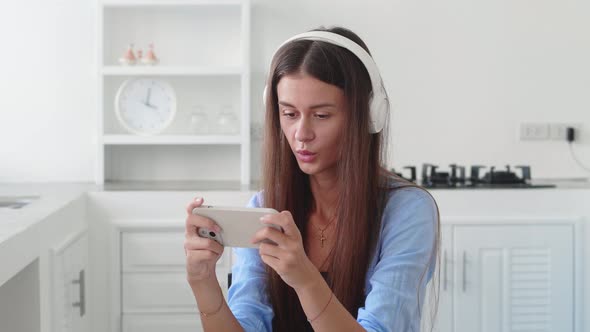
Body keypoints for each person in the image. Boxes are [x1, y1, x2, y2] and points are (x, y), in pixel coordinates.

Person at [184, 26, 440, 332]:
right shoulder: (266, 206)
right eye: (289, 114)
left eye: (321, 115)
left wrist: (305, 279)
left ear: (368, 116)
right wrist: (203, 283)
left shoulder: (407, 211)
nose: (301, 134)